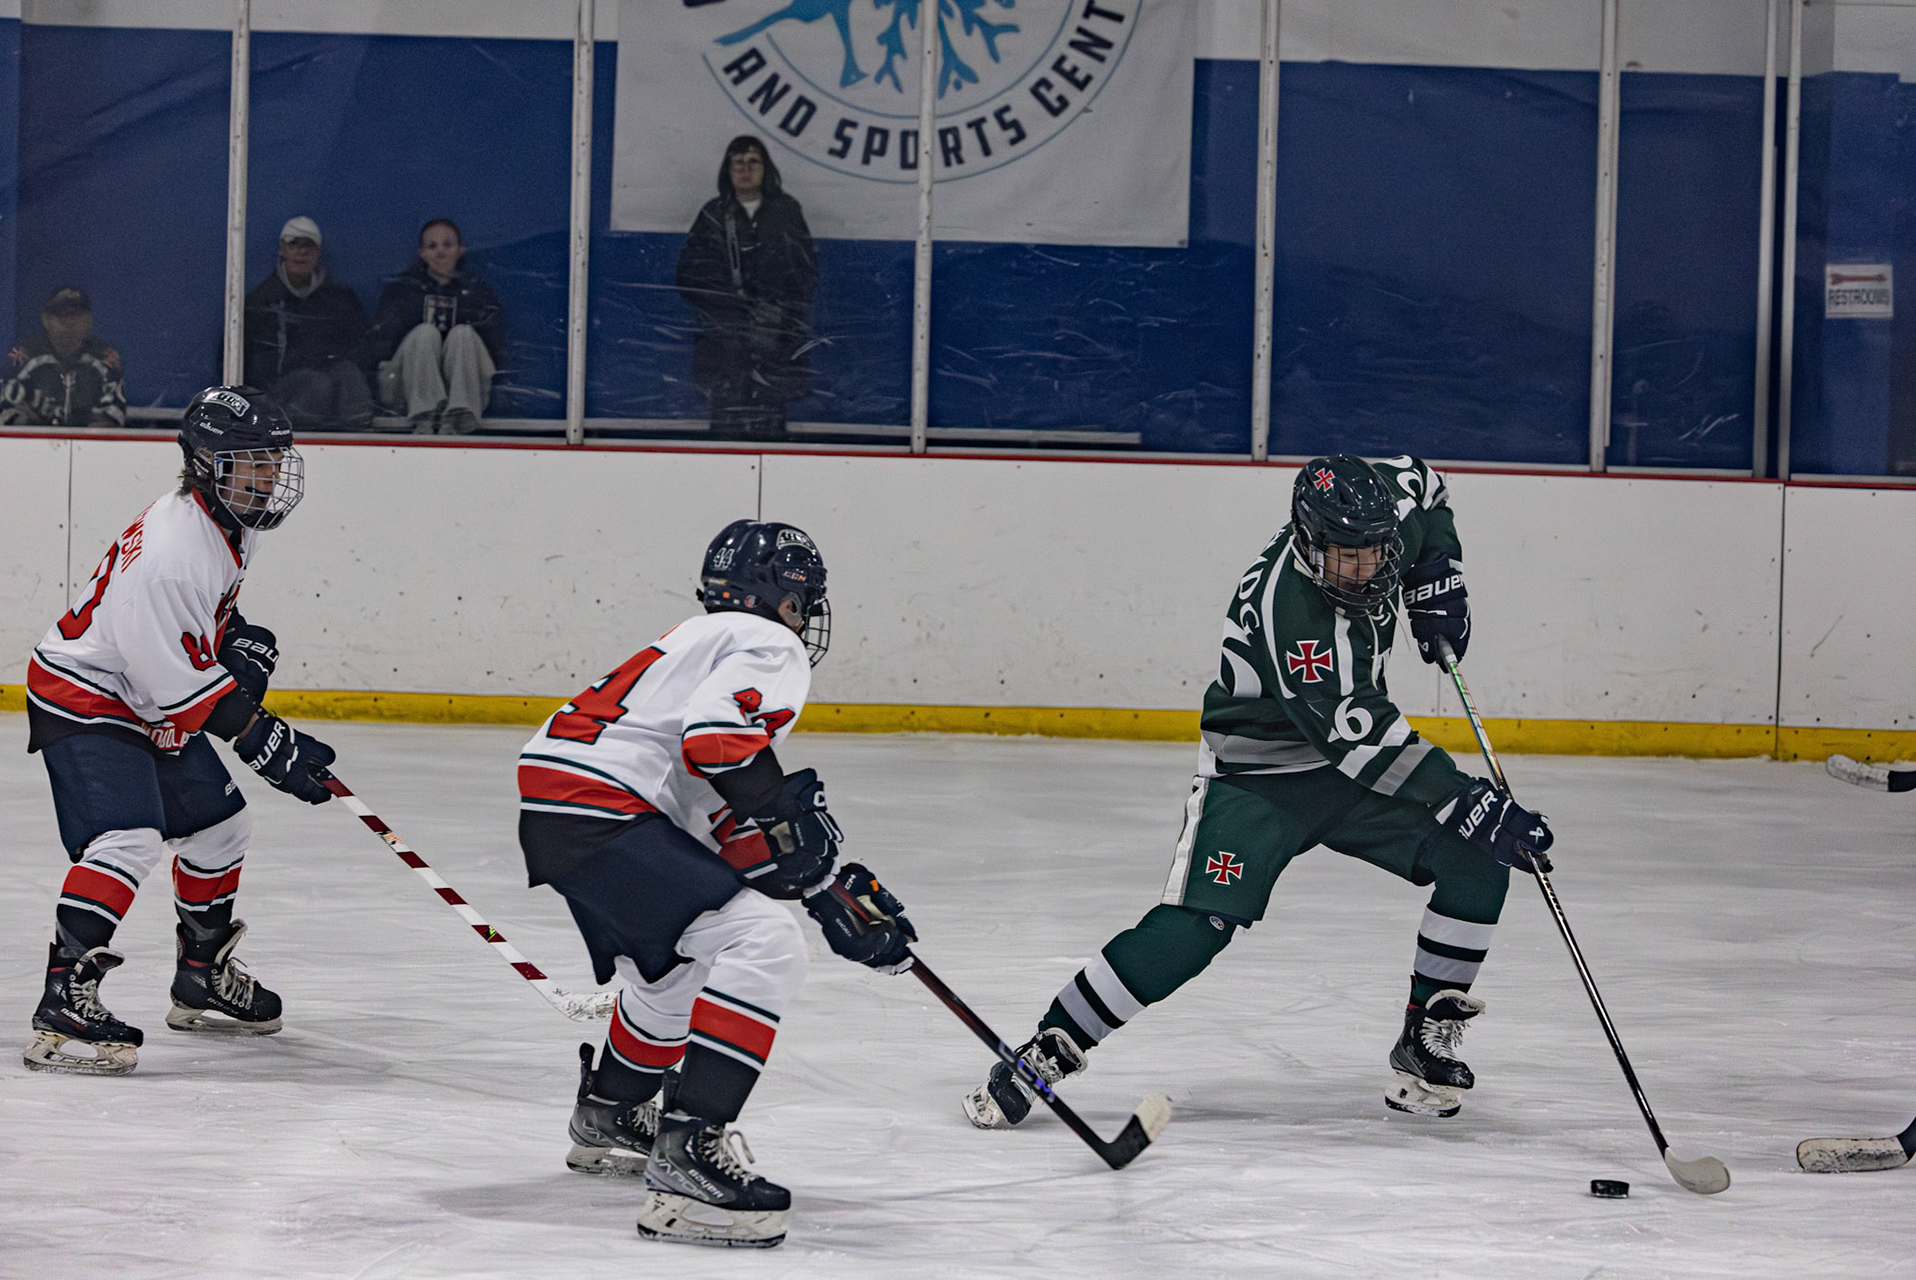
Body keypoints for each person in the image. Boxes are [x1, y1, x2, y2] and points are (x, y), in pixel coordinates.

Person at [963, 455, 1556, 1129]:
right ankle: (1049, 1045)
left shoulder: (1383, 519)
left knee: (1476, 857)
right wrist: (1465, 798)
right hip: (1260, 778)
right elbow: (1361, 735)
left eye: (1374, 553)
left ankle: (1425, 1037)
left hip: (1350, 769)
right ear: (1308, 541)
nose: (1364, 569)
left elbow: (1427, 485)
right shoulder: (1291, 612)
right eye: (1346, 557)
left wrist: (1438, 572)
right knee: (1197, 930)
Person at [517, 519, 917, 1249]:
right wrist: (802, 845)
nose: (805, 617)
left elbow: (721, 812)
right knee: (765, 945)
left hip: (561, 809)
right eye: (802, 601)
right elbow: (719, 742)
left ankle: (611, 1110)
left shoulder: (693, 640)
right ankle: (687, 1157)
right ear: (786, 597)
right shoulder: (768, 643)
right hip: (608, 809)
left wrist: (826, 885)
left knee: (673, 969)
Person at [21, 386, 340, 1076]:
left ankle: (201, 976)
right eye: (253, 462)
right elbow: (178, 689)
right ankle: (64, 997)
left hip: (141, 689)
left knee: (221, 828)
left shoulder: (229, 519)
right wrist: (263, 738)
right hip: (88, 694)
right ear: (205, 465)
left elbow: (194, 635)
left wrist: (237, 641)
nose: (269, 476)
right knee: (128, 839)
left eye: (275, 460)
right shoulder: (171, 553)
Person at [675, 136, 819, 441]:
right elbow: (689, 276)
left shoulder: (786, 212)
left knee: (771, 423)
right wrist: (728, 308)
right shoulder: (713, 214)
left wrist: (779, 312)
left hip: (774, 338)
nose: (745, 170)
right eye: (737, 163)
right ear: (727, 170)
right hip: (724, 340)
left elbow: (806, 272)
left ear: (767, 169)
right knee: (726, 425)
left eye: (753, 162)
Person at [368, 218, 504, 435]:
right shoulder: (403, 291)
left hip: (467, 392)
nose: (440, 252)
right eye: (432, 246)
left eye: (447, 245)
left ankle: (460, 415)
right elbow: (381, 344)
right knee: (424, 333)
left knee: (463, 334)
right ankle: (425, 414)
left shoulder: (477, 294)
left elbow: (494, 344)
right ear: (421, 253)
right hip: (405, 392)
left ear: (460, 250)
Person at [243, 216, 373, 430]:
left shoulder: (340, 300)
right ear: (281, 250)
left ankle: (358, 441)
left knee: (349, 374)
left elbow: (363, 347)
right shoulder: (262, 301)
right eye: (294, 244)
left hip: (330, 384)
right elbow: (247, 361)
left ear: (318, 252)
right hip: (280, 394)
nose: (301, 252)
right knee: (316, 383)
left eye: (308, 245)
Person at [0, 287, 127, 427]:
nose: (68, 322)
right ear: (45, 319)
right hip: (35, 439)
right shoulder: (23, 357)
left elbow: (111, 419)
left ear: (89, 319)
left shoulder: (106, 359)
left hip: (89, 440)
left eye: (75, 315)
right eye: (60, 315)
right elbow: (9, 414)